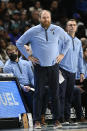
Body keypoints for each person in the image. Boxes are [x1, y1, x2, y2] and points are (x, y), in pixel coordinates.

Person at [16, 10, 71, 129]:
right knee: (38, 94)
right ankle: (37, 121)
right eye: (43, 18)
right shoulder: (33, 31)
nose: (46, 20)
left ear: (50, 18)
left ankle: (57, 120)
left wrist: (62, 54)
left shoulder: (57, 30)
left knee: (55, 94)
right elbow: (19, 43)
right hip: (39, 67)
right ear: (39, 18)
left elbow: (67, 42)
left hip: (53, 66)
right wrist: (28, 56)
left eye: (48, 17)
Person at [59, 19, 84, 123]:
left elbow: (80, 58)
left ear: (76, 27)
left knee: (69, 95)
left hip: (73, 72)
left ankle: (67, 117)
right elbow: (57, 54)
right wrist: (57, 69)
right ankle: (60, 118)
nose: (72, 27)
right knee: (62, 94)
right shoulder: (62, 39)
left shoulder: (78, 42)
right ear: (66, 27)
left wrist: (81, 72)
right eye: (70, 25)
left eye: (74, 25)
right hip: (62, 70)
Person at [3, 44, 34, 113]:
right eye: (9, 54)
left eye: (13, 53)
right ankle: (32, 117)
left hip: (29, 85)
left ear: (17, 52)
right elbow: (13, 82)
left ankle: (41, 116)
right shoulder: (7, 67)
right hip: (18, 87)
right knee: (28, 95)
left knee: (41, 92)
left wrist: (36, 86)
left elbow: (31, 77)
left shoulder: (26, 63)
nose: (11, 55)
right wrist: (23, 87)